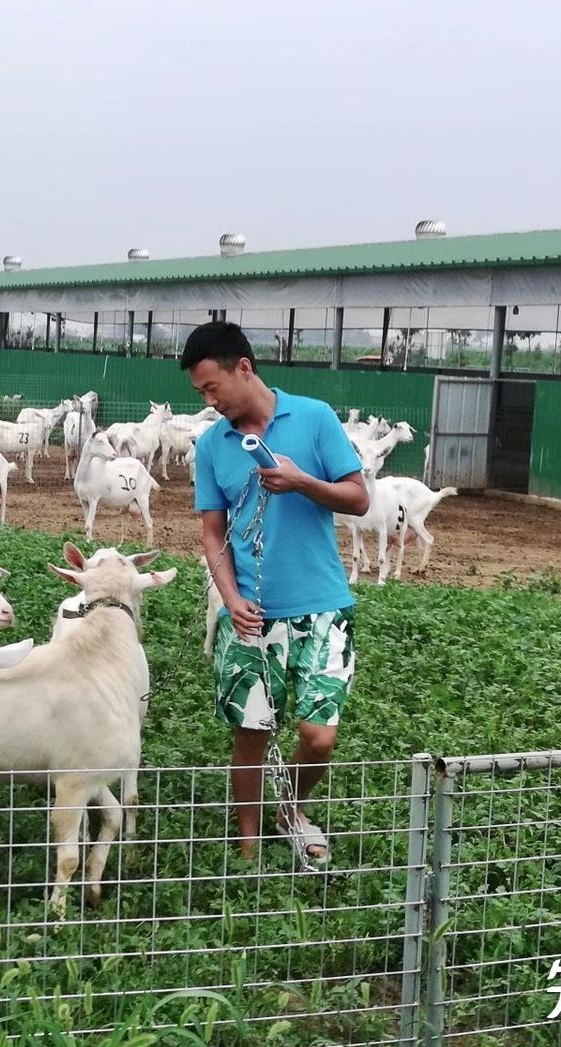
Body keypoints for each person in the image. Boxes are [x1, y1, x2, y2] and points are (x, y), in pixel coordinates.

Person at [184, 323, 370, 864]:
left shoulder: (314, 418)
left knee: (319, 737)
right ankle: (247, 846)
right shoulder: (212, 446)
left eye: (213, 387)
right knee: (250, 731)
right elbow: (213, 533)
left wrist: (302, 481)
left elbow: (358, 499)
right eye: (200, 393)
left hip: (322, 610)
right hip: (251, 616)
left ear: (245, 367)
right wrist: (230, 598)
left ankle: (290, 808)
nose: (209, 401)